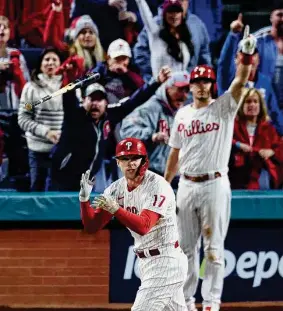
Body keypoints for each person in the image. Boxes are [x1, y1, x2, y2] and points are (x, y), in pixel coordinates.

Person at [164, 26, 256, 311]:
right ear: (190, 85)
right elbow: (174, 153)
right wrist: (165, 184)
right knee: (186, 250)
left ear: (212, 85)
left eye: (206, 82)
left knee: (214, 249)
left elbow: (241, 80)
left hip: (215, 183)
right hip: (186, 185)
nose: (202, 86)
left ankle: (212, 303)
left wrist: (247, 53)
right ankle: (188, 302)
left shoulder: (224, 108)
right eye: (197, 82)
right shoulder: (182, 115)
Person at [79, 137, 188, 310]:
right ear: (118, 163)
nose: (130, 164)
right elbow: (92, 226)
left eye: (134, 158)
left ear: (144, 160)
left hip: (166, 260)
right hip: (146, 263)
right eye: (124, 159)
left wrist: (116, 209)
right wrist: (84, 200)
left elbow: (144, 226)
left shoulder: (158, 185)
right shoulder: (115, 189)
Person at [51, 66, 172, 191]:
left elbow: (134, 101)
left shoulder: (109, 117)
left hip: (86, 182)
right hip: (62, 179)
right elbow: (68, 100)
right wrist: (69, 80)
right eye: (91, 99)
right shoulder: (75, 116)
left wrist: (156, 82)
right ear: (83, 100)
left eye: (99, 100)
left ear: (106, 103)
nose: (95, 103)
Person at [120, 71, 191, 189]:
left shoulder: (185, 111)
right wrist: (151, 136)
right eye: (180, 89)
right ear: (168, 88)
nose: (184, 95)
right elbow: (126, 129)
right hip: (150, 174)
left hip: (175, 175)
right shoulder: (151, 107)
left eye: (187, 90)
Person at [217, 13, 283, 136]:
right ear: (236, 58)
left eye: (253, 54)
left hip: (258, 139)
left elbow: (274, 113)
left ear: (258, 58)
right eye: (244, 53)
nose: (250, 58)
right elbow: (224, 62)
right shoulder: (229, 78)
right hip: (231, 137)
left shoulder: (265, 81)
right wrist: (233, 35)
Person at [18, 47, 65, 191]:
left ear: (60, 64)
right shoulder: (30, 88)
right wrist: (46, 132)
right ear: (40, 64)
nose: (50, 63)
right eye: (47, 59)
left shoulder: (69, 86)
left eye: (54, 59)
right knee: (37, 191)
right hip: (37, 150)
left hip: (61, 150)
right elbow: (23, 118)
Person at [133, 0, 211, 82]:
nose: (174, 15)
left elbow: (204, 56)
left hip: (184, 88)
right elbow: (140, 53)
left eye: (177, 11)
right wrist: (154, 78)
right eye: (171, 12)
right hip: (160, 88)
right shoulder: (155, 29)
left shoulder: (194, 26)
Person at [229, 87, 283, 190]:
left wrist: (272, 152)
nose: (252, 105)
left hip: (260, 175)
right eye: (248, 102)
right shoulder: (233, 127)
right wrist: (238, 145)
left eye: (255, 101)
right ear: (241, 106)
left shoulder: (268, 129)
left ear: (260, 105)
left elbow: (280, 147)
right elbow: (223, 141)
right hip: (236, 174)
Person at [0, 15, 30, 110]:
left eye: (5, 27)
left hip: (14, 108)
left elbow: (27, 85)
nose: (1, 30)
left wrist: (17, 73)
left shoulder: (16, 55)